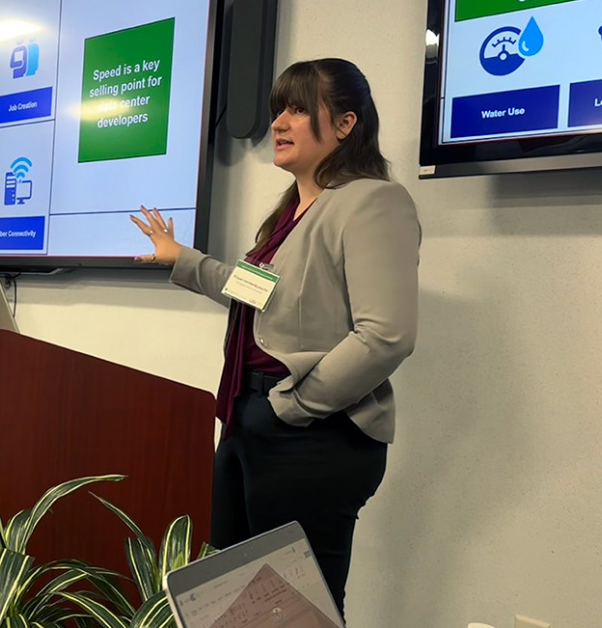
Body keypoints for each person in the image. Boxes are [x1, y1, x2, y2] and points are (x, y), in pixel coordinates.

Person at [131, 58, 420, 617]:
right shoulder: (292, 215)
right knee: (238, 606)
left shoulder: (373, 201)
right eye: (277, 110)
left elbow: (387, 335)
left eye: (297, 108)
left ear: (343, 124)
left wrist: (295, 405)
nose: (279, 123)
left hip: (311, 435)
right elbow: (254, 293)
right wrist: (182, 259)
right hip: (249, 420)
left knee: (295, 610)